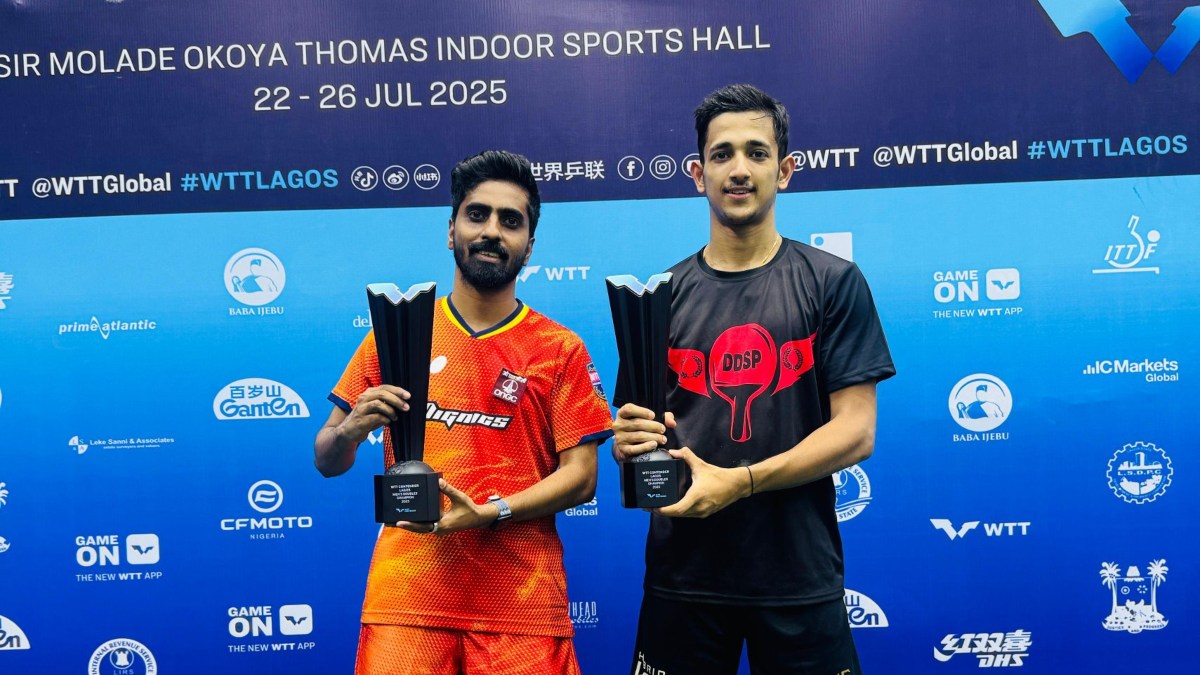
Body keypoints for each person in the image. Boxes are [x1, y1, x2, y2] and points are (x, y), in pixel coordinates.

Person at [612, 84, 896, 674]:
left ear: (785, 170)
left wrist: (739, 481)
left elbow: (857, 431)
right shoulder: (658, 297)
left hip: (797, 575)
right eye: (722, 155)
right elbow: (636, 438)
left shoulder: (832, 281)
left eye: (756, 153)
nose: (738, 170)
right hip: (683, 578)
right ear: (697, 173)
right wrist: (630, 446)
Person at [315, 150, 613, 675]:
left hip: (521, 607)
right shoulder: (396, 335)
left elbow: (582, 479)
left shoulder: (559, 347)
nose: (492, 231)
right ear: (450, 230)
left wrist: (491, 512)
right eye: (477, 215)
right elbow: (326, 457)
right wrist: (352, 430)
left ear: (530, 245)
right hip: (408, 600)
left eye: (510, 220)